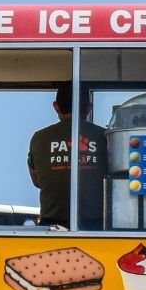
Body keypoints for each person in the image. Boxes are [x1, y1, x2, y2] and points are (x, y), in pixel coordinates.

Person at [28, 83, 107, 228]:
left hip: (51, 225)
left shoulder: (40, 138)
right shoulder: (104, 137)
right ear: (89, 109)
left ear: (56, 106)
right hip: (96, 226)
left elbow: (37, 181)